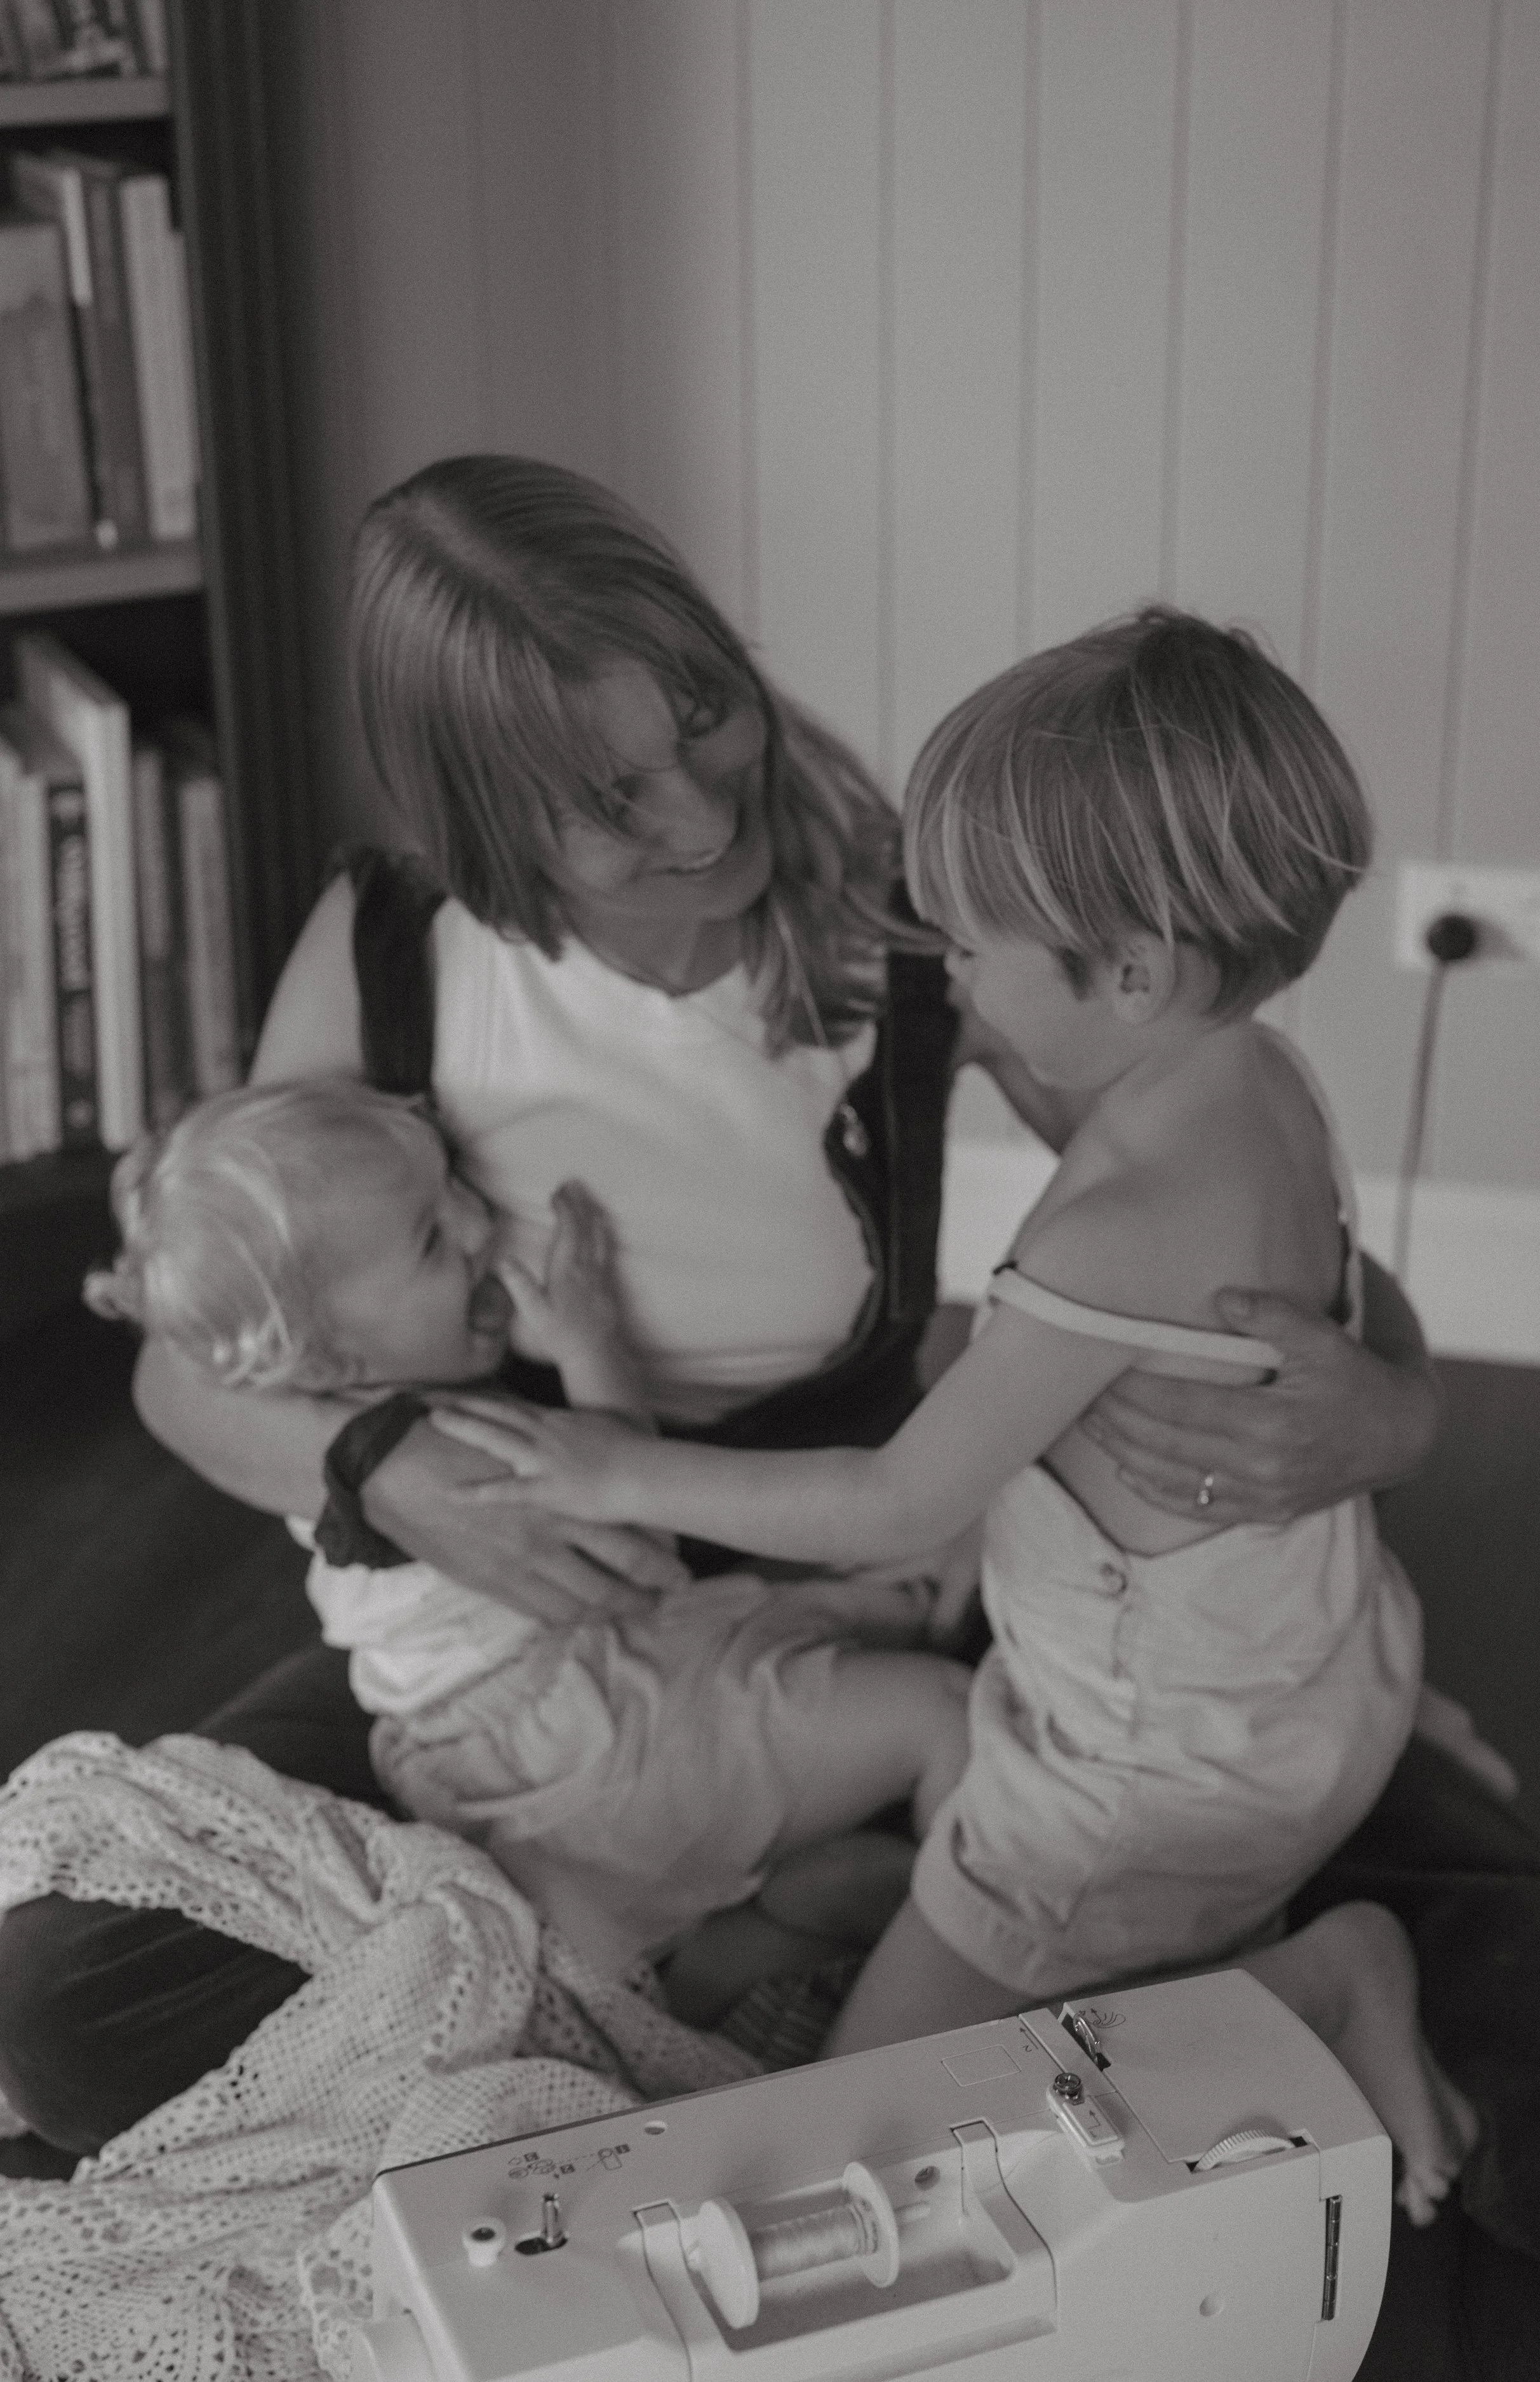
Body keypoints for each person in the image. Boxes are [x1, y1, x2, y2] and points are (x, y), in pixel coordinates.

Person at [0, 457, 1454, 2166]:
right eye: (610, 799)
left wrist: (1395, 1407)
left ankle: (757, 1981)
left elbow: (1216, 1215)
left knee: (1266, 1855)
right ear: (481, 817)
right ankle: (751, 1948)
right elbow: (194, 1364)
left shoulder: (901, 919)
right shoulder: (389, 945)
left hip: (838, 1561)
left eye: (707, 713)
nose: (702, 815)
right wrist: (382, 1461)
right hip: (520, 1625)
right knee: (59, 1993)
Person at [428, 607, 1477, 2219]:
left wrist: (614, 1456)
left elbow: (896, 1505)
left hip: (1136, 1773)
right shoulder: (1256, 1080)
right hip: (1299, 1670)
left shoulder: (1114, 1224)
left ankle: (1313, 1984)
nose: (949, 981)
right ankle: (958, 1916)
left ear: (1127, 972)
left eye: (971, 947)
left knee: (865, 2132)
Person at [81, 1078, 972, 1988]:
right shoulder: (448, 1450)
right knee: (942, 1711)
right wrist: (592, 1344)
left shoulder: (371, 1426)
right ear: (330, 1357)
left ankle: (750, 1945)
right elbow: (637, 1545)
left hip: (535, 1734)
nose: (478, 1229)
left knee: (873, 1626)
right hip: (580, 1748)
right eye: (433, 1235)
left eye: (455, 1189)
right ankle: (963, 1975)